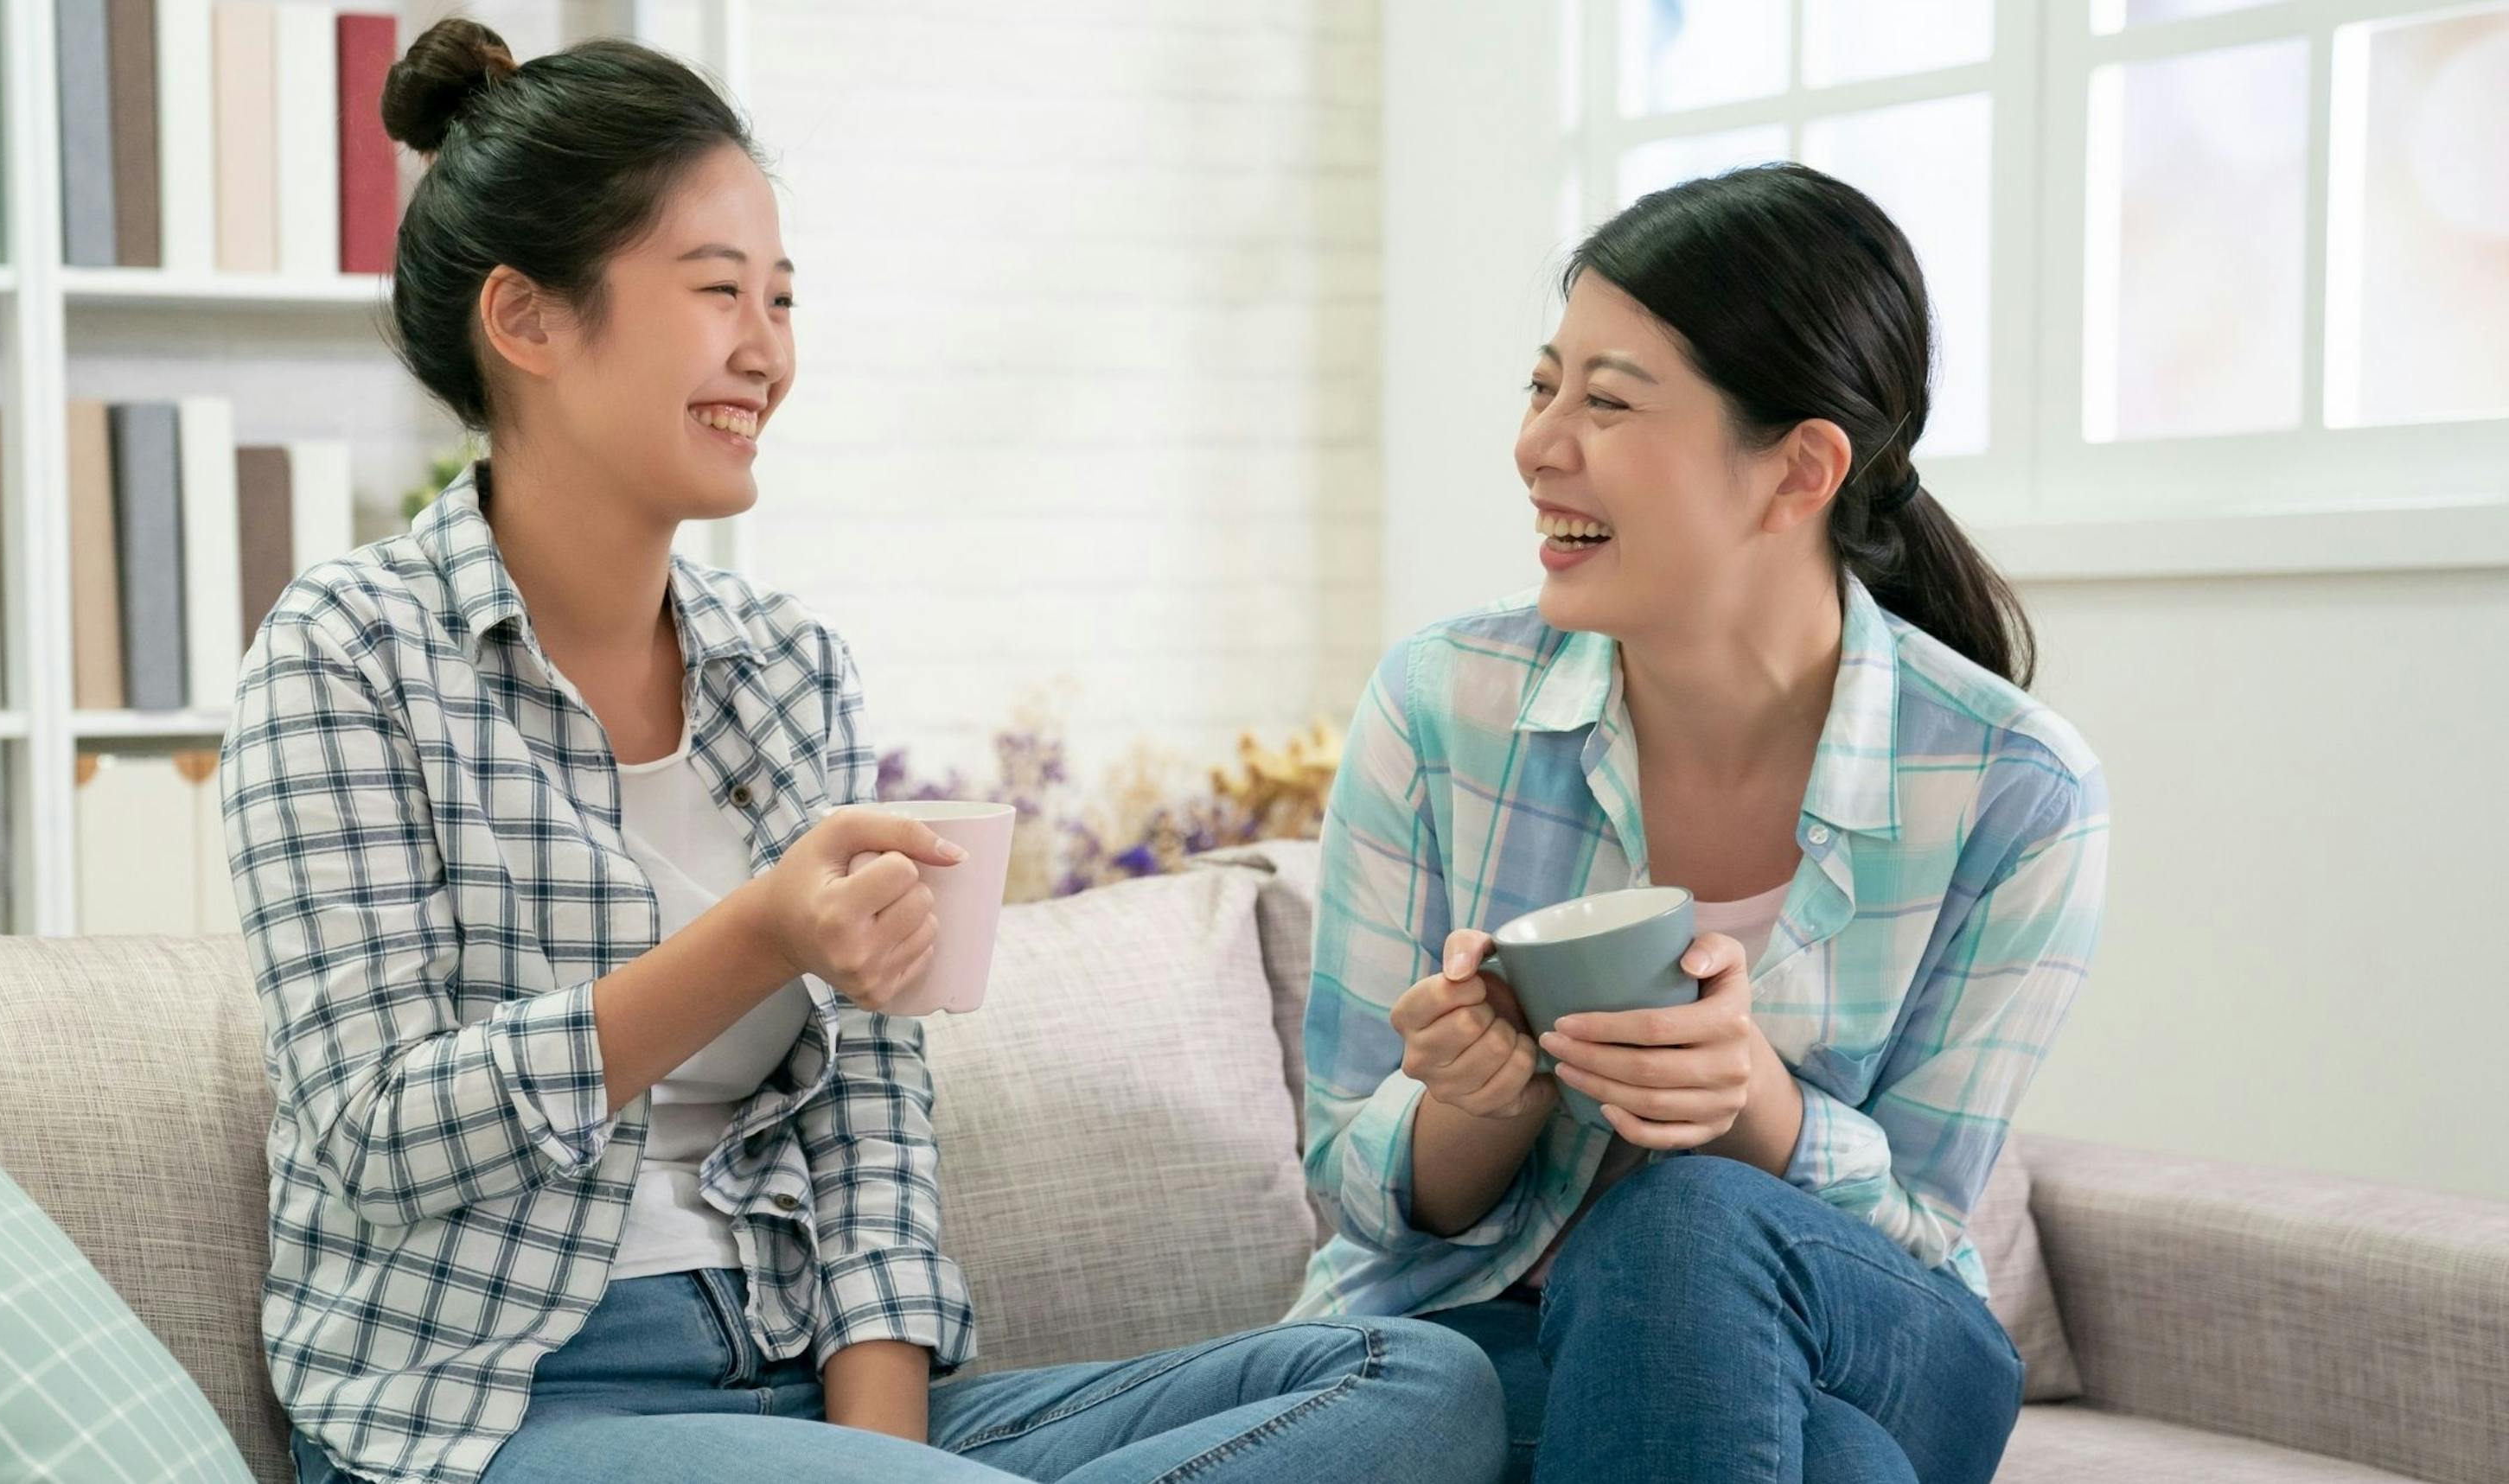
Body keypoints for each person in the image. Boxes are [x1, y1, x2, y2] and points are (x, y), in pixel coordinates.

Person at [220, 21, 1505, 1484]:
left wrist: (887, 1453)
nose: (767, 351)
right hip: (501, 1413)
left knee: (1418, 1381)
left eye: (782, 298)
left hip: (799, 1396)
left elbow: (870, 1125)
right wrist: (760, 935)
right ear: (526, 320)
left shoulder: (790, 671)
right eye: (719, 292)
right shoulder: (349, 654)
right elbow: (376, 1130)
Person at [1289, 163, 2109, 1484]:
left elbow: (1920, 1221)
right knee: (1834, 1466)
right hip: (1499, 1332)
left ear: (1799, 469)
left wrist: (1752, 1105)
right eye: (1543, 387)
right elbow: (1354, 1181)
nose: (1539, 444)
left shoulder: (2013, 790)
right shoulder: (1442, 705)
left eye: (1608, 402)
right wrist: (1483, 1098)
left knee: (1683, 1219)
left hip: (1878, 1335)